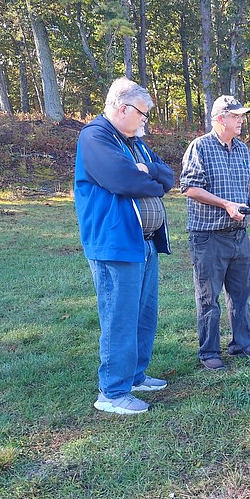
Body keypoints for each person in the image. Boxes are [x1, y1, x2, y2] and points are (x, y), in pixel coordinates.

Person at [74, 77, 174, 414]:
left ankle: (135, 376)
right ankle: (112, 393)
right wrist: (149, 179)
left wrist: (149, 173)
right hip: (115, 244)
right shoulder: (95, 136)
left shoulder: (136, 142)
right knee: (119, 317)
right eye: (143, 113)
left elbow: (168, 176)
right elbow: (122, 180)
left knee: (144, 315)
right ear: (123, 108)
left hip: (144, 243)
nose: (146, 121)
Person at [180, 95, 250, 371]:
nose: (241, 120)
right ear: (220, 119)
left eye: (242, 116)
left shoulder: (243, 150)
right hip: (209, 236)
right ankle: (209, 352)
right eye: (236, 116)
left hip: (240, 235)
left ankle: (242, 344)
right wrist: (226, 204)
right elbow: (190, 188)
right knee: (208, 298)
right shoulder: (200, 147)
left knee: (241, 295)